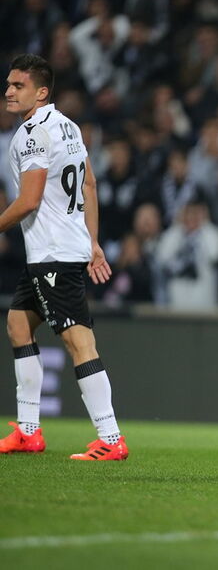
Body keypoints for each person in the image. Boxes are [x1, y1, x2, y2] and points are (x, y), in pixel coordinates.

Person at [0, 54, 128, 460]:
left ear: (40, 92)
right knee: (19, 324)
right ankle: (29, 432)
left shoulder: (34, 133)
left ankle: (111, 439)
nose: (7, 92)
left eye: (17, 86)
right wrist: (92, 241)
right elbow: (88, 182)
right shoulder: (68, 126)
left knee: (79, 343)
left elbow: (29, 199)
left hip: (52, 254)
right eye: (8, 84)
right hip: (59, 250)